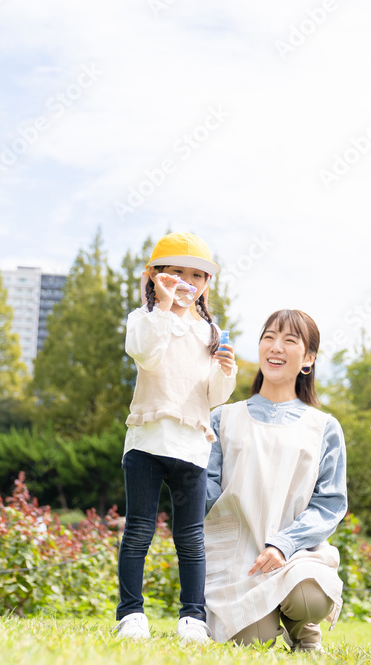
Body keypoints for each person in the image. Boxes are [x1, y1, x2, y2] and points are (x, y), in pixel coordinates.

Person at [115, 232, 236, 643]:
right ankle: (131, 615)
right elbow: (147, 354)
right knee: (138, 531)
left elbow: (213, 398)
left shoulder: (210, 330)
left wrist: (225, 371)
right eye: (175, 273)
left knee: (190, 538)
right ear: (154, 277)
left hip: (192, 445)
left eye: (195, 275)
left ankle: (193, 618)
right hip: (148, 441)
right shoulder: (143, 318)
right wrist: (163, 307)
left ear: (206, 284)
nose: (186, 282)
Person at [203, 309, 346, 652]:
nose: (275, 347)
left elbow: (328, 505)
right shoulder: (223, 417)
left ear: (308, 358)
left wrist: (284, 544)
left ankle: (303, 626)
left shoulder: (324, 427)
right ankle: (268, 619)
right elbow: (204, 490)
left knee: (308, 598)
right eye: (268, 337)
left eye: (289, 340)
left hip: (296, 554)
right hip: (237, 557)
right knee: (253, 640)